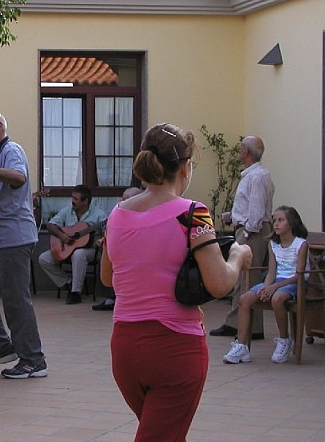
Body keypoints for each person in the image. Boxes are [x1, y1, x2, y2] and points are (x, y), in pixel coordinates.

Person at [101, 122, 251, 441]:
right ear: (185, 167)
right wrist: (238, 256)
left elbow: (107, 277)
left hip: (125, 348)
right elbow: (219, 284)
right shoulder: (192, 213)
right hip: (175, 350)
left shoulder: (116, 215)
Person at [0, 110, 47, 379]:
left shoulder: (11, 150)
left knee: (16, 301)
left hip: (13, 239)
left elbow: (19, 178)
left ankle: (33, 359)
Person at [223, 205, 309, 364]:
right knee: (245, 299)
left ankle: (284, 340)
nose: (276, 223)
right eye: (274, 220)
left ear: (291, 223)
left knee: (277, 299)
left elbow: (298, 275)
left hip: (294, 282)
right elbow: (271, 272)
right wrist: (265, 287)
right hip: (276, 281)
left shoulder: (300, 244)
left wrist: (273, 287)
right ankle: (242, 346)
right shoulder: (273, 244)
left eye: (281, 220)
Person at [210, 135, 275, 339]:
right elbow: (252, 207)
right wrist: (233, 216)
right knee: (243, 279)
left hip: (252, 232)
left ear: (246, 152)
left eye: (240, 149)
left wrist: (245, 232)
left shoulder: (256, 176)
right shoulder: (255, 174)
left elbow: (256, 214)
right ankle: (242, 325)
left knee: (246, 279)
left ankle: (245, 327)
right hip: (249, 229)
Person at [38, 184, 107, 305]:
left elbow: (109, 233)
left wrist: (102, 240)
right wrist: (62, 236)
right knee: (44, 258)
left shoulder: (100, 216)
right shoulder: (67, 211)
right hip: (68, 249)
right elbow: (50, 225)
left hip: (91, 251)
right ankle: (68, 282)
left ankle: (75, 293)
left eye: (75, 199)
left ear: (85, 201)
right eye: (72, 198)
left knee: (79, 254)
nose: (72, 201)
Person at [92, 186, 142, 311]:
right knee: (105, 259)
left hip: (135, 255)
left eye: (125, 199)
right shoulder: (121, 214)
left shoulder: (141, 215)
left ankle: (115, 298)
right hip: (122, 251)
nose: (121, 202)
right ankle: (111, 298)